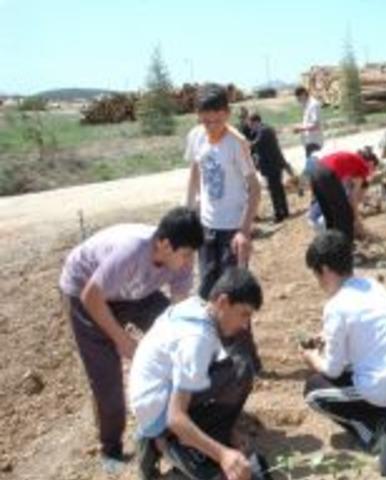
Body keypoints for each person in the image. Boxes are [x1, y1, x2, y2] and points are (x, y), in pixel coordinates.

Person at [59, 207, 204, 474]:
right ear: (163, 244)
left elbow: (178, 312)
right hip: (84, 291)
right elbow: (91, 296)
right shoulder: (132, 251)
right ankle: (110, 447)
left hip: (134, 292)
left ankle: (179, 418)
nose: (188, 261)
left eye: (192, 255)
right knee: (106, 376)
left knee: (178, 347)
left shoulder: (183, 259)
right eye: (185, 254)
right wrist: (122, 340)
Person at [300, 230, 386, 473]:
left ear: (324, 270)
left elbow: (333, 369)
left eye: (316, 274)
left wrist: (312, 358)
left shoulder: (335, 306)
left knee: (313, 391)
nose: (318, 281)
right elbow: (367, 329)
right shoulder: (371, 285)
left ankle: (372, 435)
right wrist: (327, 335)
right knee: (363, 370)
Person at [130, 267, 263, 480]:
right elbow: (176, 417)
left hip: (150, 402)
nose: (244, 323)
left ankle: (172, 439)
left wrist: (231, 430)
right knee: (240, 371)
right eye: (243, 314)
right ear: (222, 302)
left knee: (232, 366)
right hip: (161, 417)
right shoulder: (197, 338)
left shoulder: (195, 307)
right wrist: (223, 455)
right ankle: (174, 446)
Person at [185, 83, 262, 374]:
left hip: (232, 229)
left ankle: (247, 361)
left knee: (236, 295)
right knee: (206, 292)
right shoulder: (196, 137)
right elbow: (195, 173)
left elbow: (254, 189)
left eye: (217, 120)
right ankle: (213, 356)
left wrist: (244, 230)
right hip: (207, 228)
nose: (211, 127)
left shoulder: (236, 143)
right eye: (205, 121)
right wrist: (189, 210)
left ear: (227, 114)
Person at [309, 148, 378, 245]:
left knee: (330, 216)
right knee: (345, 215)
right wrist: (357, 220)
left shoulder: (353, 160)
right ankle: (347, 250)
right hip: (327, 174)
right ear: (371, 163)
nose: (371, 173)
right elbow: (352, 198)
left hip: (315, 173)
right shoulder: (363, 167)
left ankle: (332, 248)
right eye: (374, 168)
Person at [248, 112, 293, 223]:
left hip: (271, 166)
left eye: (250, 123)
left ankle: (279, 215)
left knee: (274, 191)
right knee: (279, 189)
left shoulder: (264, 131)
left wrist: (243, 144)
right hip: (275, 164)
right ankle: (284, 211)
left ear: (255, 122)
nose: (250, 126)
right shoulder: (266, 129)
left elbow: (255, 145)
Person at [293, 86, 324, 158]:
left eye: (299, 97)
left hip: (314, 141)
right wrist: (300, 127)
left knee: (313, 166)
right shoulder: (306, 105)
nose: (298, 100)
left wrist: (300, 128)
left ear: (303, 94)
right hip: (309, 142)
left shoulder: (313, 105)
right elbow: (307, 123)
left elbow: (316, 125)